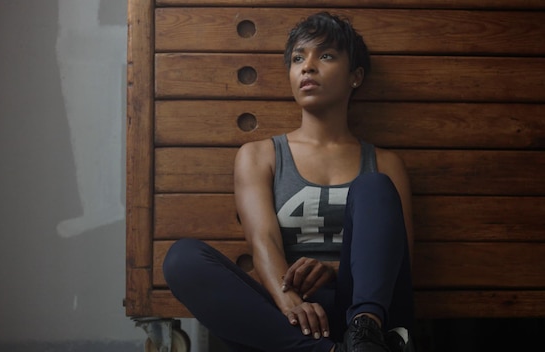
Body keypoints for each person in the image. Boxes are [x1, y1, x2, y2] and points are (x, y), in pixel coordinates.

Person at [163, 12, 415, 352]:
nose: (307, 67)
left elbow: (398, 257)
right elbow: (263, 241)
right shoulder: (259, 156)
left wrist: (332, 269)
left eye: (325, 56)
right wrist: (291, 303)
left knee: (374, 187)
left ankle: (365, 337)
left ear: (356, 76)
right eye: (298, 58)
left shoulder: (384, 163)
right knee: (182, 258)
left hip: (362, 307)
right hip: (291, 317)